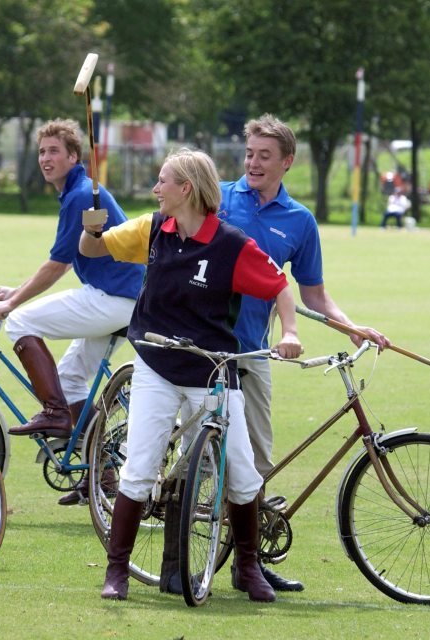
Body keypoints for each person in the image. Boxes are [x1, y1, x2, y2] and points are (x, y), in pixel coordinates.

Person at [80, 148, 303, 602]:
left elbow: (279, 285)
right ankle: (116, 571)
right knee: (139, 468)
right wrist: (90, 230)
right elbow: (92, 250)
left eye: (162, 181)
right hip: (156, 364)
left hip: (214, 370)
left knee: (242, 475)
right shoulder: (150, 229)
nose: (155, 189)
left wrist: (292, 331)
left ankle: (247, 566)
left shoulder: (230, 244)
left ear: (186, 189)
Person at [219, 113, 389, 592]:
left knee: (258, 459)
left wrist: (352, 326)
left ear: (286, 162)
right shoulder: (218, 197)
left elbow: (313, 294)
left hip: (252, 349)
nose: (253, 162)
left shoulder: (299, 221)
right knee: (203, 457)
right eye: (249, 153)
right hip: (201, 343)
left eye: (264, 155)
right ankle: (186, 556)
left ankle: (246, 562)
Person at [0, 119, 144, 505]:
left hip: (115, 297)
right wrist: (17, 290)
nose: (45, 158)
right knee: (72, 379)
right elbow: (68, 260)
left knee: (20, 321)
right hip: (118, 297)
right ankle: (103, 476)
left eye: (54, 151)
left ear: (73, 156)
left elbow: (57, 265)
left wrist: (12, 304)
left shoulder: (80, 195)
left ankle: (55, 413)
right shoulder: (75, 192)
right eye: (42, 152)